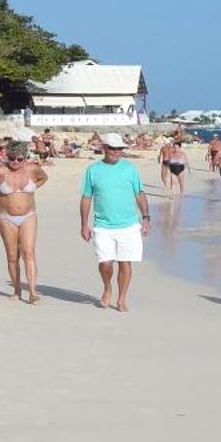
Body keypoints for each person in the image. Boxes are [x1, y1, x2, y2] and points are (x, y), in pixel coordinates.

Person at [80, 133, 151, 312]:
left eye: (120, 148)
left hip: (128, 224)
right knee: (105, 263)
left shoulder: (130, 169)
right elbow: (86, 197)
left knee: (125, 262)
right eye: (113, 148)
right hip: (102, 225)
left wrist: (146, 218)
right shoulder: (93, 170)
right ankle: (107, 287)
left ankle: (121, 298)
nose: (117, 152)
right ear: (104, 148)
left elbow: (139, 194)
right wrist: (84, 224)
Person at [0, 140, 49, 303]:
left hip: (28, 216)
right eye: (11, 158)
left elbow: (44, 178)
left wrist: (32, 190)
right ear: (7, 156)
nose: (15, 162)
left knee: (29, 253)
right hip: (6, 218)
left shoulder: (33, 169)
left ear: (25, 157)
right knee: (12, 255)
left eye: (19, 159)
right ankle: (17, 290)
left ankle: (32, 292)